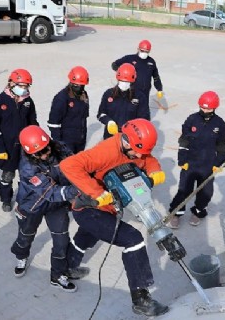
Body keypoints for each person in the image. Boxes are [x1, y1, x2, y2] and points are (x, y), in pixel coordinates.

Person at [59, 118, 169, 317]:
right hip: (89, 209)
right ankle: (141, 300)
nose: (139, 156)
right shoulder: (107, 151)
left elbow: (147, 159)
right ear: (126, 141)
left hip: (107, 209)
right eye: (136, 151)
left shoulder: (135, 148)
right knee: (134, 240)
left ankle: (67, 268)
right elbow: (68, 165)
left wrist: (154, 170)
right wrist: (96, 192)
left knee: (85, 237)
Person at [10, 125, 90, 292]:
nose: (45, 154)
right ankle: (21, 257)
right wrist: (78, 190)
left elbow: (76, 165)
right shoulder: (27, 168)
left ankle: (58, 275)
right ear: (30, 153)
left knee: (61, 240)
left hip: (57, 205)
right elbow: (49, 192)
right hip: (33, 205)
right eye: (39, 154)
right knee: (26, 235)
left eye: (46, 149)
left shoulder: (61, 148)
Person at [167, 91, 225, 228]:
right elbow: (184, 140)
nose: (205, 110)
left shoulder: (219, 124)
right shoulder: (192, 120)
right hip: (191, 163)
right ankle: (176, 213)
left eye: (208, 108)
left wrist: (219, 162)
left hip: (208, 165)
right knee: (184, 190)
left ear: (214, 107)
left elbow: (221, 145)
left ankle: (198, 212)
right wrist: (182, 160)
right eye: (203, 107)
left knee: (206, 193)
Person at [0, 68, 39, 212]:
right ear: (11, 83)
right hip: (7, 147)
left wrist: (38, 140)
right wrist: (0, 149)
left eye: (26, 86)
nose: (24, 89)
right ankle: (6, 200)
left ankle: (25, 198)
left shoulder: (28, 102)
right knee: (8, 176)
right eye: (21, 86)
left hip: (24, 146)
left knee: (28, 174)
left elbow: (33, 122)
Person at [97, 63, 150, 140]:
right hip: (110, 137)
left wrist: (132, 129)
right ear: (118, 78)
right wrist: (109, 122)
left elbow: (144, 119)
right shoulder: (108, 94)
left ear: (133, 81)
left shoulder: (140, 97)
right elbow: (101, 114)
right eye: (122, 81)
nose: (124, 84)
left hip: (130, 138)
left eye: (127, 82)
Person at [47, 66, 90, 153]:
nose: (80, 88)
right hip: (66, 142)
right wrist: (58, 143)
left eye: (82, 85)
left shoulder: (83, 95)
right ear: (71, 82)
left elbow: (84, 117)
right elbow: (53, 123)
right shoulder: (61, 98)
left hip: (80, 140)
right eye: (77, 85)